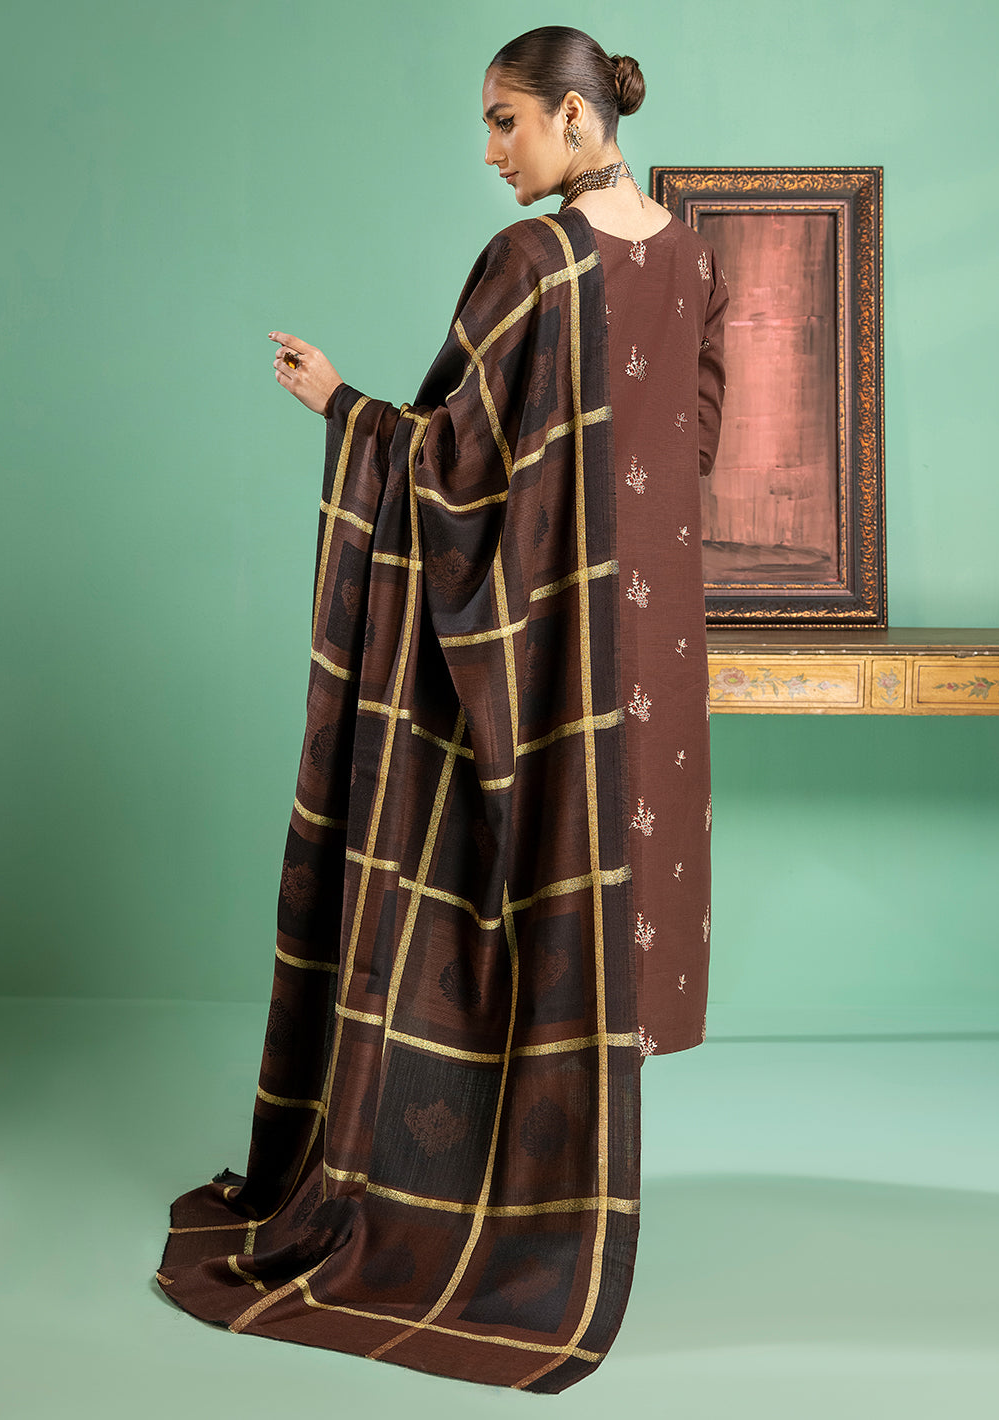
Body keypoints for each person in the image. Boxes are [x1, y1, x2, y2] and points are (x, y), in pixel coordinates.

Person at [158, 26, 727, 1394]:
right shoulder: (693, 253)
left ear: (577, 118)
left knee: (494, 898)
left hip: (541, 662)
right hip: (645, 658)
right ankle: (565, 1206)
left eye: (505, 121)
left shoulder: (533, 261)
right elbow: (689, 447)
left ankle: (492, 1221)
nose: (489, 151)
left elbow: (455, 464)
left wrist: (341, 406)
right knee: (593, 923)